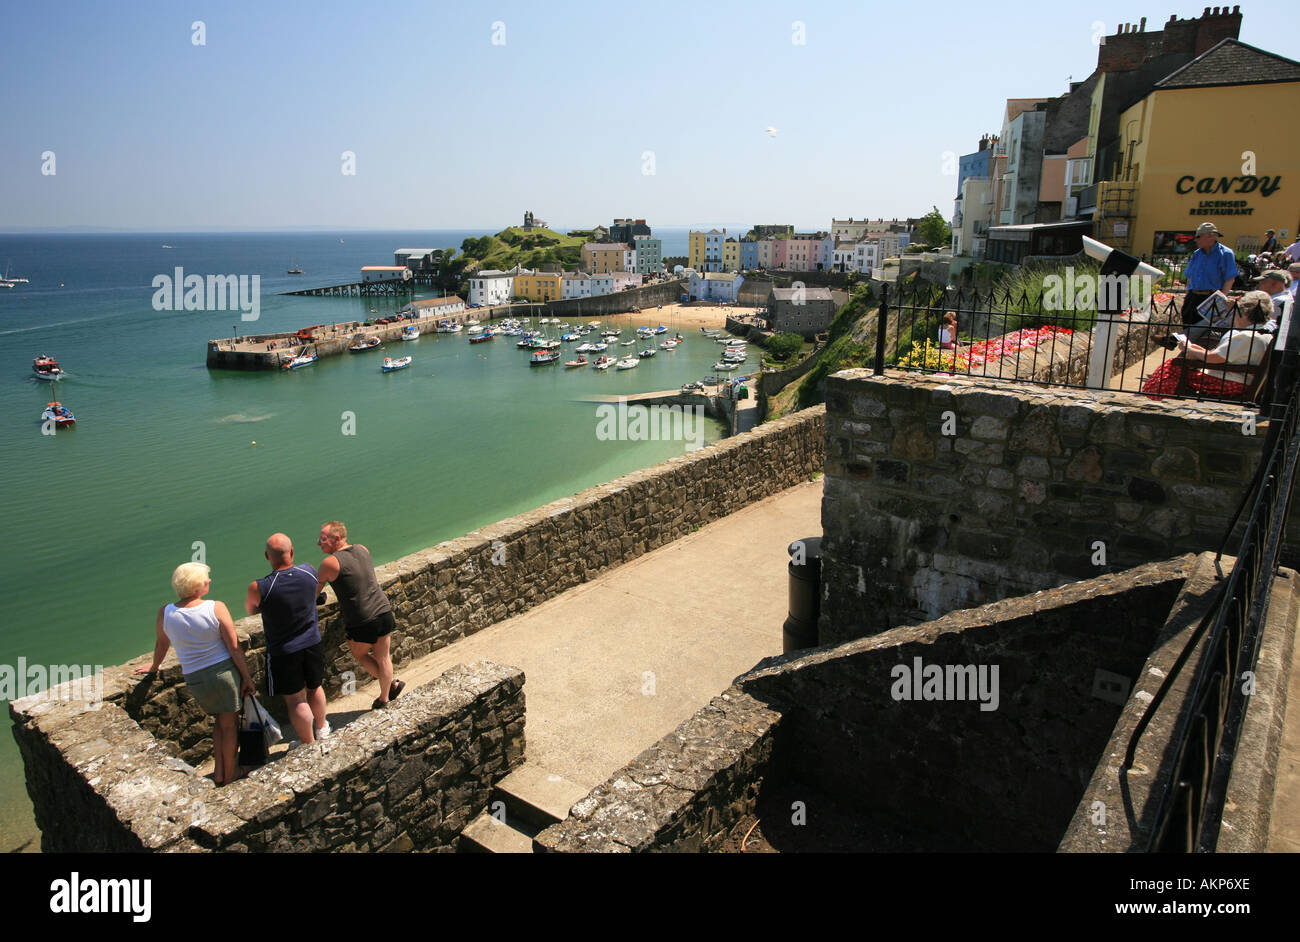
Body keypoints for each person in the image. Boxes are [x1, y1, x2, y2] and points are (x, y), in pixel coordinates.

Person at [135, 563, 255, 786]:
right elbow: (234, 647)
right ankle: (229, 774)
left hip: (194, 678)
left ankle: (220, 772)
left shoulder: (166, 612)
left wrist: (154, 667)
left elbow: (162, 644)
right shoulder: (215, 607)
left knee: (219, 722)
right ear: (198, 586)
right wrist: (247, 678)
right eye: (206, 579)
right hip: (223, 674)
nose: (209, 581)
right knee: (229, 725)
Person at [245, 533, 330, 745]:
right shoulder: (309, 571)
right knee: (315, 686)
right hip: (312, 643)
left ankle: (308, 743)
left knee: (295, 700)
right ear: (291, 552)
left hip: (284, 651)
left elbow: (250, 609)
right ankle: (322, 729)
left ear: (267, 556)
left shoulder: (260, 587)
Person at [316, 521, 405, 709]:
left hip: (362, 619)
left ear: (337, 539)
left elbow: (313, 593)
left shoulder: (330, 563)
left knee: (360, 654)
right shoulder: (363, 549)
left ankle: (390, 689)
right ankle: (386, 695)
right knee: (383, 657)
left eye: (323, 539)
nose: (319, 543)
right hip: (383, 610)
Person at [1143, 290, 1274, 400]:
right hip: (1239, 379)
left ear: (1244, 314)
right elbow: (1220, 355)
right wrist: (1194, 348)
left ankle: (1152, 400)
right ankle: (1156, 398)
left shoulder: (1247, 336)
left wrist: (1189, 348)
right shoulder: (1263, 333)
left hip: (1231, 381)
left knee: (1172, 367)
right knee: (1175, 365)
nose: (1233, 317)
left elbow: (1212, 358)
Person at [1180, 222, 1239, 326]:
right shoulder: (1197, 254)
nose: (1195, 240)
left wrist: (1221, 300)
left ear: (1211, 236)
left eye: (1198, 237)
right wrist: (1187, 295)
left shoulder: (1225, 253)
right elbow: (1190, 276)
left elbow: (1230, 279)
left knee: (1204, 332)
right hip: (1193, 297)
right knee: (1187, 326)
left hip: (1210, 298)